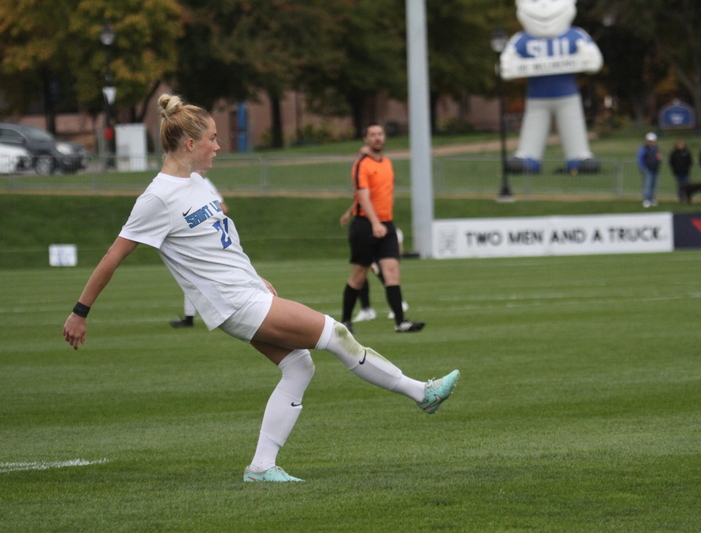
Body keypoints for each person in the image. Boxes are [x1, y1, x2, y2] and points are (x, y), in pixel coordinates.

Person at [62, 94, 460, 483]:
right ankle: (421, 393)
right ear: (188, 144)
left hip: (246, 293)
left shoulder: (199, 183)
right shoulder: (157, 198)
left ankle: (261, 467)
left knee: (298, 365)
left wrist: (256, 277)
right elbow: (113, 256)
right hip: (235, 303)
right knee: (338, 334)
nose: (218, 146)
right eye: (212, 139)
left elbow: (221, 245)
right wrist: (80, 312)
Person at [340, 124, 424, 333]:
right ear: (366, 139)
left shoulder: (387, 163)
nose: (377, 138)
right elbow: (364, 196)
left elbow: (385, 192)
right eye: (373, 135)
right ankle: (345, 323)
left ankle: (400, 322)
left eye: (380, 134)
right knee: (359, 276)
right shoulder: (362, 164)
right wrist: (375, 222)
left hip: (386, 225)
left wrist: (386, 217)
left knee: (392, 272)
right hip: (365, 226)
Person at [169, 175, 228, 328]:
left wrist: (198, 216)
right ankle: (189, 318)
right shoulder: (181, 184)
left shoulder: (203, 183)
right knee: (191, 278)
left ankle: (230, 310)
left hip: (207, 241)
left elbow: (223, 208)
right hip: (194, 241)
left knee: (209, 278)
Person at [340, 204, 408, 322]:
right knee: (360, 272)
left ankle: (398, 312)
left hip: (378, 225)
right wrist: (349, 212)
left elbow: (365, 197)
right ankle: (366, 309)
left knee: (382, 270)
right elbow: (361, 198)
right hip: (367, 226)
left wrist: (375, 222)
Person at [636, 132, 662, 208]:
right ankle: (646, 199)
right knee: (647, 185)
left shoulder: (656, 148)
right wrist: (643, 167)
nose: (651, 142)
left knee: (654, 185)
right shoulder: (643, 148)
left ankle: (652, 199)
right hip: (647, 169)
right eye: (650, 141)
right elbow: (640, 158)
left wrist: (659, 159)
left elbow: (659, 158)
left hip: (655, 169)